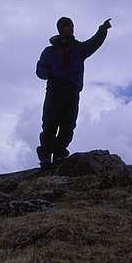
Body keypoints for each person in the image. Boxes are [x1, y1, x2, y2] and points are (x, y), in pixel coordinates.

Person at [36, 16, 112, 169]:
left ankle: (59, 153)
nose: (71, 28)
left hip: (72, 91)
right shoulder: (49, 51)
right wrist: (51, 73)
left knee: (68, 124)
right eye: (68, 26)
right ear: (61, 29)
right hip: (54, 91)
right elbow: (40, 69)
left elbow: (93, 43)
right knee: (50, 124)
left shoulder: (78, 48)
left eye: (72, 25)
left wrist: (102, 30)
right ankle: (45, 156)